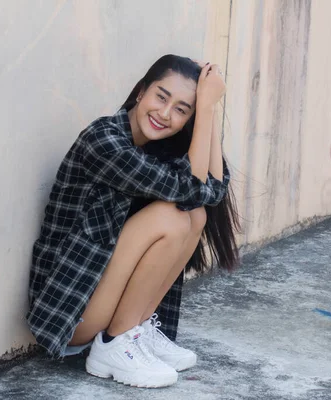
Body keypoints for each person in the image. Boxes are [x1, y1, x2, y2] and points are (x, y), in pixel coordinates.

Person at [26, 54, 240, 388]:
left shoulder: (158, 148)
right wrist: (206, 109)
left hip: (98, 301)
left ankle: (133, 332)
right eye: (161, 97)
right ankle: (116, 343)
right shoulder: (104, 142)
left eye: (182, 110)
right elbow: (191, 191)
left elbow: (212, 193)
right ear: (141, 91)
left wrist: (208, 114)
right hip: (69, 312)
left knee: (195, 216)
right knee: (174, 214)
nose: (165, 114)